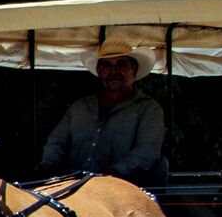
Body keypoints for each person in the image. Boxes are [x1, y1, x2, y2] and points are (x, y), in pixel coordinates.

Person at [40, 41, 171, 184]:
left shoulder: (148, 109)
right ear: (99, 71)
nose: (114, 71)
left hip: (124, 189)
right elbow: (57, 142)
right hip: (73, 186)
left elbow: (147, 152)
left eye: (121, 64)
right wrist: (48, 165)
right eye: (107, 65)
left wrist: (115, 172)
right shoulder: (80, 107)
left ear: (133, 69)